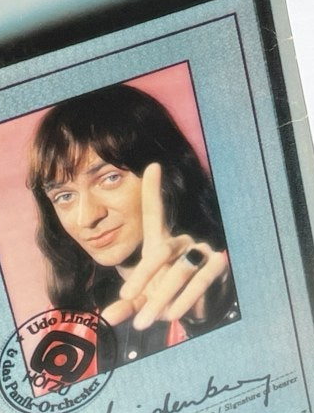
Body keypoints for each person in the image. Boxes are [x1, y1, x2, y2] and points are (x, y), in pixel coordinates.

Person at [27, 82, 238, 370]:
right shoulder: (64, 331)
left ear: (168, 175)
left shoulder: (236, 274)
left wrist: (215, 316)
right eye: (64, 196)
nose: (87, 218)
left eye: (110, 178)